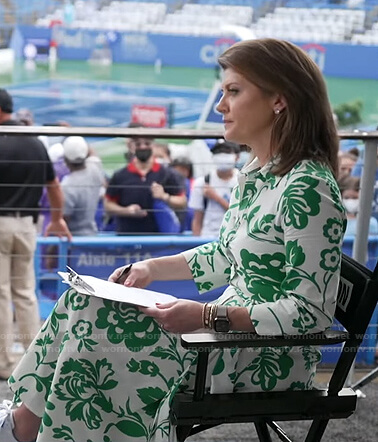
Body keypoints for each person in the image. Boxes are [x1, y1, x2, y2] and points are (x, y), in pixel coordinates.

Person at [0, 39, 346, 442]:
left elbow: (309, 313)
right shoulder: (261, 174)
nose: (221, 105)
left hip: (263, 354)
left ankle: (25, 428)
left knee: (97, 336)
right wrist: (150, 269)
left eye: (233, 91)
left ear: (279, 101)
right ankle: (26, 423)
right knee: (84, 300)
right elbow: (225, 254)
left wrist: (205, 317)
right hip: (226, 335)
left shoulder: (307, 189)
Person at [0, 88, 72, 381]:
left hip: (0, 223)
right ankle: (32, 356)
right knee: (25, 292)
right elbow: (54, 187)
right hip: (28, 226)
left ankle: (5, 360)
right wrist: (56, 219)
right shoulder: (35, 142)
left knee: (1, 293)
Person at [104, 131, 187, 235]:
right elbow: (108, 204)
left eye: (147, 143)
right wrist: (126, 211)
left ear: (153, 146)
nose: (143, 147)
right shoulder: (120, 175)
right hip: (127, 236)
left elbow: (182, 202)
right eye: (138, 144)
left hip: (159, 238)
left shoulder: (167, 174)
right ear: (132, 147)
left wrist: (164, 196)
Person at [189, 139, 240, 237]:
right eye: (218, 152)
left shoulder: (243, 181)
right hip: (208, 237)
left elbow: (240, 215)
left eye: (227, 152)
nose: (222, 155)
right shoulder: (202, 182)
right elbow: (197, 219)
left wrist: (216, 197)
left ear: (237, 157)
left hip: (235, 238)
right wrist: (196, 242)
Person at [61, 136, 106, 235]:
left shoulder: (67, 185)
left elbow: (64, 219)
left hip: (73, 239)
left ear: (65, 159)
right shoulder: (94, 168)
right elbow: (92, 153)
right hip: (91, 234)